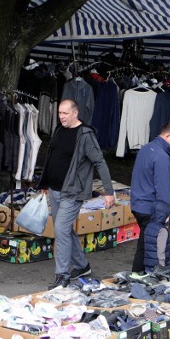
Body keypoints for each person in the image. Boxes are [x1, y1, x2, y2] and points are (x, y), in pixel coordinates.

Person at [38, 99, 115, 290]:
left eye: (65, 113)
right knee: (64, 229)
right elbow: (52, 156)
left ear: (75, 113)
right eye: (59, 113)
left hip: (72, 192)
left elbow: (100, 162)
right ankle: (82, 266)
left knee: (62, 229)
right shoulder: (59, 130)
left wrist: (109, 192)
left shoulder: (85, 135)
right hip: (55, 190)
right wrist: (45, 182)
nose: (61, 117)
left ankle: (62, 275)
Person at [130, 122, 170, 276]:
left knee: (145, 244)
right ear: (167, 136)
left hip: (138, 204)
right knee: (152, 249)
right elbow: (163, 190)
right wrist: (165, 215)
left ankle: (138, 276)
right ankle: (141, 277)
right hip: (151, 208)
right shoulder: (162, 157)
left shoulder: (146, 149)